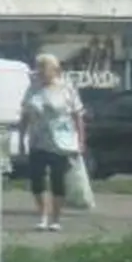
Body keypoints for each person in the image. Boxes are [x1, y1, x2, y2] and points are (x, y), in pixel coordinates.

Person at [20, 53, 87, 232]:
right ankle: (42, 216)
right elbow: (25, 114)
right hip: (37, 140)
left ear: (55, 70)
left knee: (58, 180)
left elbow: (78, 115)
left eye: (44, 68)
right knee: (37, 180)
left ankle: (56, 218)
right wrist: (22, 138)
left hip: (61, 141)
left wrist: (80, 140)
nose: (41, 72)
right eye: (39, 68)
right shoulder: (33, 88)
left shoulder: (66, 88)